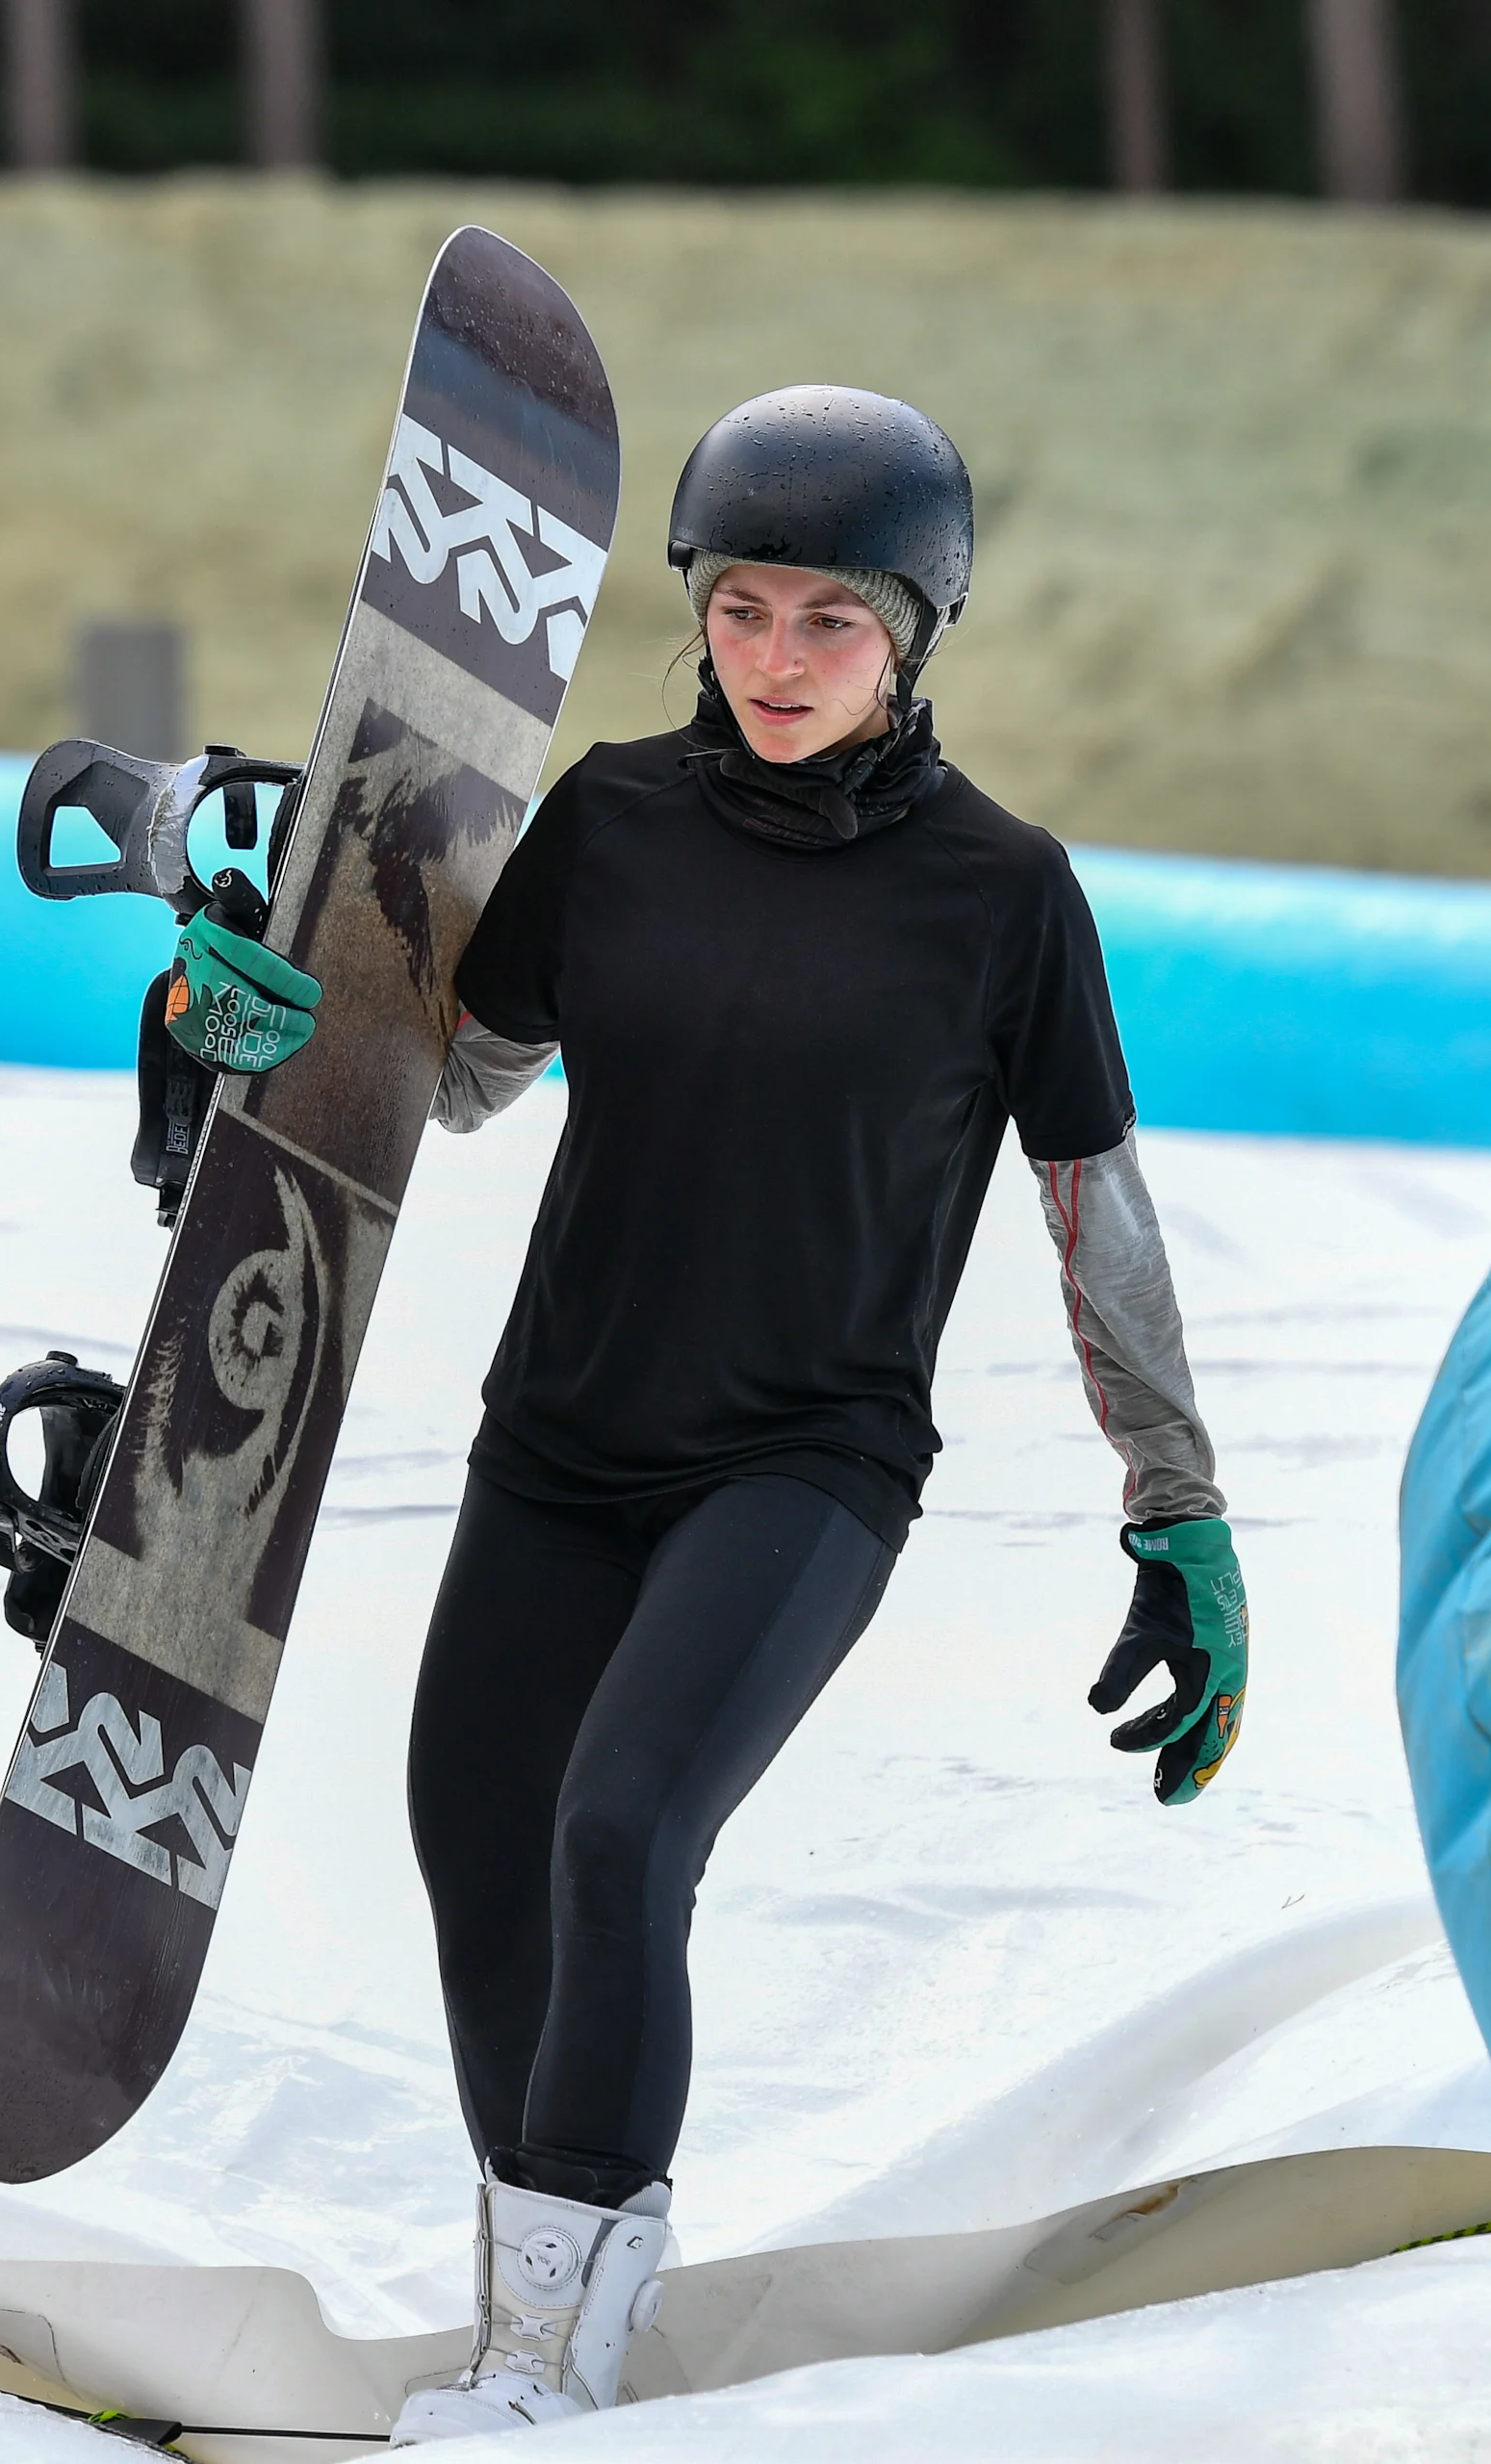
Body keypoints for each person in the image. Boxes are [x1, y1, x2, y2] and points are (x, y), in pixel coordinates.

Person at [164, 384, 1248, 2442]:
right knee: (479, 1846)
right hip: (561, 1435)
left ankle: (541, 2370)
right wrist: (284, 1024)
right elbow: (471, 1071)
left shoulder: (1005, 893)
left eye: (826, 621)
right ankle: (552, 2305)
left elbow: (1094, 1207)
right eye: (739, 608)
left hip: (804, 1461)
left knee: (621, 1824)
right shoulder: (616, 818)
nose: (772, 658)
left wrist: (1174, 1506)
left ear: (914, 632)